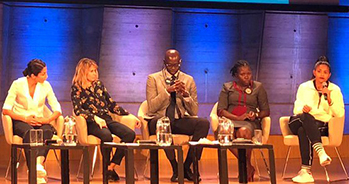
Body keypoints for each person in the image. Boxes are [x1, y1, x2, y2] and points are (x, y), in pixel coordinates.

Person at [145, 49, 209, 183]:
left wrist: (185, 95)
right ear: (164, 63)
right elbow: (151, 107)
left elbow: (194, 111)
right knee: (163, 124)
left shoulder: (188, 80)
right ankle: (175, 168)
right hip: (159, 120)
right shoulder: (153, 78)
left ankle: (186, 166)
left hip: (180, 119)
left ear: (180, 62)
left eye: (176, 65)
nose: (173, 68)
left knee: (203, 123)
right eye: (169, 65)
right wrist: (166, 92)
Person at [71, 58, 139, 181]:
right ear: (83, 72)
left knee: (130, 134)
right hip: (91, 122)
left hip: (106, 119)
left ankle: (110, 167)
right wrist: (94, 117)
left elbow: (111, 104)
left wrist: (130, 115)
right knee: (106, 135)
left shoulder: (99, 85)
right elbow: (78, 110)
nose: (95, 73)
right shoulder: (77, 88)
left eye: (95, 71)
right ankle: (106, 169)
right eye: (92, 71)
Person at [3, 59, 63, 184]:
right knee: (30, 132)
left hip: (39, 121)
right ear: (33, 75)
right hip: (20, 121)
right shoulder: (17, 84)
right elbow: (6, 109)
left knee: (47, 131)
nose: (47, 76)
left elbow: (57, 109)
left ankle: (37, 166)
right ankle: (36, 171)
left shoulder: (46, 86)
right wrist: (25, 118)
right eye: (43, 74)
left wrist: (47, 119)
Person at [288, 56, 345, 183]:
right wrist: (303, 109)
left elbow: (339, 114)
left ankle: (305, 172)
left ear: (329, 75)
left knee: (303, 131)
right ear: (314, 72)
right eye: (319, 71)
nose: (322, 75)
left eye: (325, 72)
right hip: (299, 120)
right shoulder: (304, 87)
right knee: (305, 118)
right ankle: (321, 153)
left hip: (321, 125)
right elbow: (296, 109)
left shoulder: (334, 90)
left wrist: (329, 99)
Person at [217, 60, 270, 181]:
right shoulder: (227, 87)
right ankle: (247, 165)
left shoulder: (258, 87)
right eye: (242, 74)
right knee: (226, 134)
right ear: (236, 75)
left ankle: (245, 167)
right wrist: (237, 118)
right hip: (230, 120)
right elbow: (221, 110)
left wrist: (256, 115)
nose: (246, 76)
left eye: (249, 73)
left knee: (243, 132)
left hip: (249, 122)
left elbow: (266, 111)